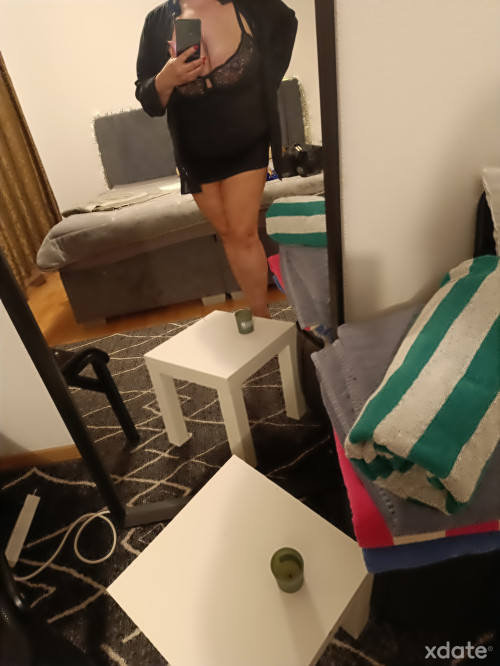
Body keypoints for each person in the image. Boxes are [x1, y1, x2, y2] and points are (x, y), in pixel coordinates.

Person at [135, 0, 297, 317]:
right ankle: (258, 310)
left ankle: (261, 314)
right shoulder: (157, 22)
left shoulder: (248, 4)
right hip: (195, 152)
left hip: (247, 141)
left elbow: (286, 23)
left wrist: (266, 80)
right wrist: (167, 78)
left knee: (243, 233)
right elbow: (148, 99)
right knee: (229, 234)